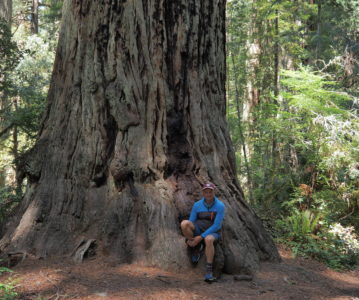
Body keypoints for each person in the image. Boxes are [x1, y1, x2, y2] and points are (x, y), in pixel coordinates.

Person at [180, 182, 225, 283]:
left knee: (208, 239)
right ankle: (194, 245)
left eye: (210, 192)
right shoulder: (197, 205)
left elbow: (217, 225)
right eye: (206, 192)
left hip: (213, 232)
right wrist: (191, 237)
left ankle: (209, 272)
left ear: (214, 192)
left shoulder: (220, 206)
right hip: (198, 230)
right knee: (184, 223)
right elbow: (191, 221)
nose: (208, 194)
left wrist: (201, 237)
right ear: (203, 193)